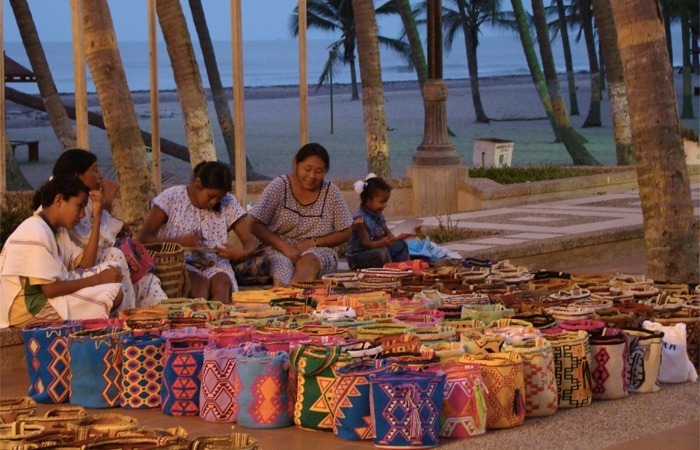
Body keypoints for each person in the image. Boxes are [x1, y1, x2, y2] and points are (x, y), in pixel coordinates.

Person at [46, 149, 166, 308]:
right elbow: (94, 245)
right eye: (94, 170)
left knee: (143, 273)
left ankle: (157, 307)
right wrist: (106, 205)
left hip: (80, 266)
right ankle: (128, 313)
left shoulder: (82, 198)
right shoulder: (66, 202)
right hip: (73, 273)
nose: (100, 175)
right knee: (114, 255)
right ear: (76, 176)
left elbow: (102, 236)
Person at [0, 176, 123, 328]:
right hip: (28, 310)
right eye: (79, 206)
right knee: (113, 294)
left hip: (42, 300)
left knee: (112, 271)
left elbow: (85, 264)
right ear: (59, 200)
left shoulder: (57, 232)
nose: (82, 215)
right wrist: (98, 280)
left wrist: (97, 218)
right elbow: (50, 290)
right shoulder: (34, 230)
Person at [139, 161, 258, 302]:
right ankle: (198, 320)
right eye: (211, 196)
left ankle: (221, 321)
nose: (214, 202)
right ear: (198, 183)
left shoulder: (227, 202)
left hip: (216, 264)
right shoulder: (172, 197)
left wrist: (240, 253)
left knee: (222, 285)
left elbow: (250, 241)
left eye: (218, 198)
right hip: (180, 265)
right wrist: (179, 242)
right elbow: (143, 239)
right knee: (200, 288)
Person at [249, 143, 353, 286]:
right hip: (279, 248)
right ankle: (284, 300)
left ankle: (298, 299)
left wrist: (313, 242)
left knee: (309, 262)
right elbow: (254, 224)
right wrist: (285, 247)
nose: (312, 176)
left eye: (319, 171)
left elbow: (346, 232)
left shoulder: (331, 192)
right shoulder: (280, 186)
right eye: (307, 169)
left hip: (319, 251)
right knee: (282, 268)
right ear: (296, 163)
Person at [345, 175, 409, 269]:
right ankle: (388, 275)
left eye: (386, 202)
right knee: (382, 253)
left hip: (377, 249)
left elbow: (389, 236)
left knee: (401, 245)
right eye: (382, 202)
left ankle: (405, 270)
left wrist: (406, 233)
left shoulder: (379, 216)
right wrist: (382, 243)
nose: (385, 205)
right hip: (359, 257)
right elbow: (366, 244)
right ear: (368, 199)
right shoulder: (359, 219)